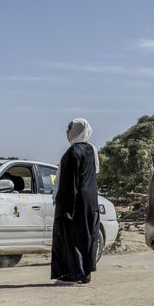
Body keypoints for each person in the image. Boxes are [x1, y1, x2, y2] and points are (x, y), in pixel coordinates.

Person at [51, 118, 101, 285]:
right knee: (86, 237)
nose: (67, 132)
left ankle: (72, 274)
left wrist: (65, 209)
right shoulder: (91, 150)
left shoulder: (73, 152)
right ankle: (84, 274)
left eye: (70, 128)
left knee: (70, 236)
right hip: (90, 201)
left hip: (74, 201)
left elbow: (69, 183)